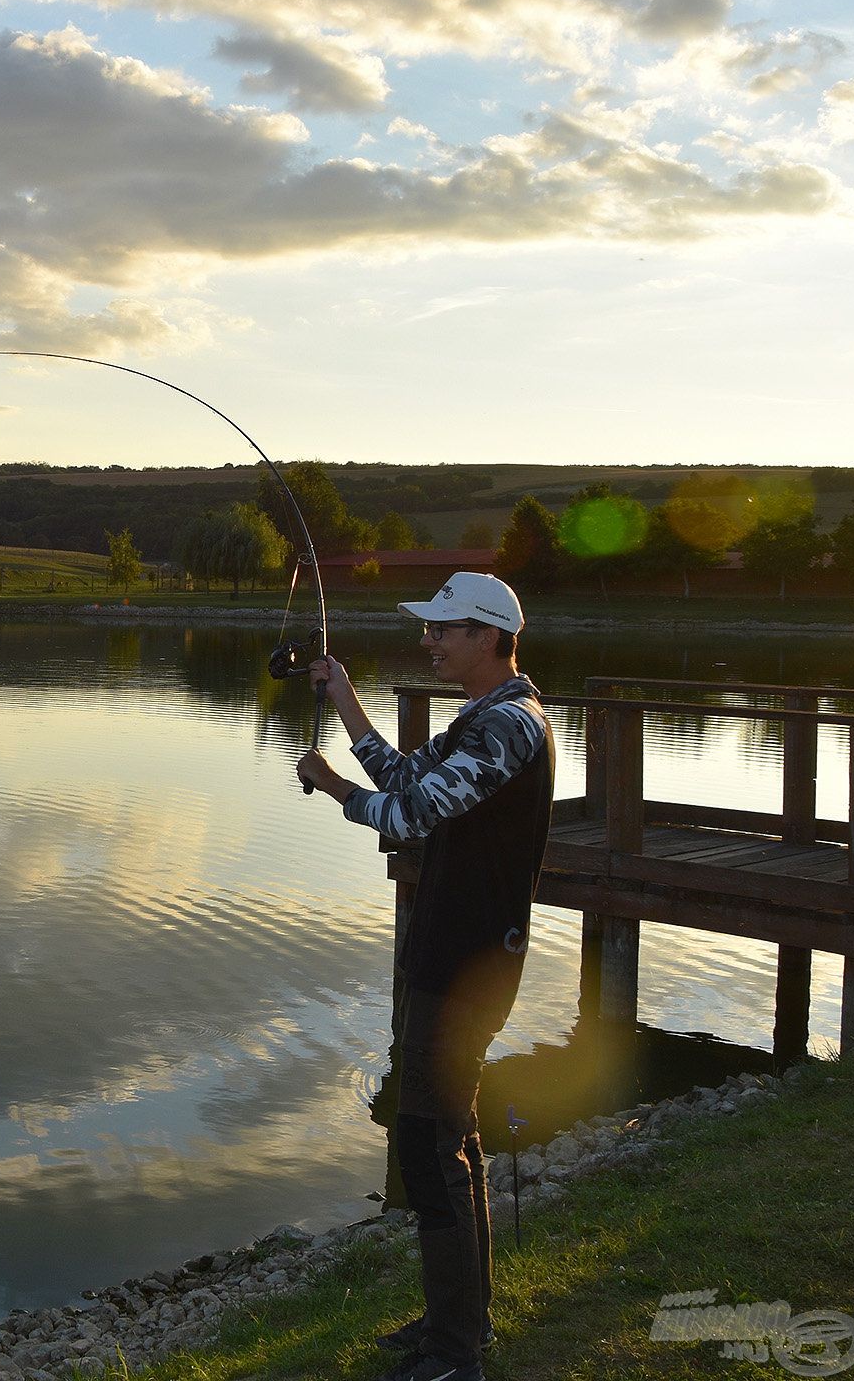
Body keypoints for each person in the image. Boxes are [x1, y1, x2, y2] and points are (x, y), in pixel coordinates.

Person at [295, 572, 555, 1381]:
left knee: (428, 1142)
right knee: (447, 1137)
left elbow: (404, 816)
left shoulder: (507, 727)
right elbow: (406, 778)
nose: (427, 641)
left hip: (468, 963)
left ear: (486, 635)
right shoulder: (485, 717)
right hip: (449, 952)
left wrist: (334, 787)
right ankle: (457, 1324)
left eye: (442, 630)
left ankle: (454, 1354)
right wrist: (342, 700)